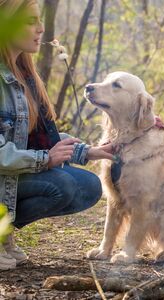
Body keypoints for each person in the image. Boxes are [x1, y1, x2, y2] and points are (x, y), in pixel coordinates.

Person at [0, 0, 113, 270]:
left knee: (87, 186)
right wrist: (43, 160)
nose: (41, 29)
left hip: (9, 175)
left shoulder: (24, 75)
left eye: (40, 20)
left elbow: (28, 137)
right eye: (30, 22)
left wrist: (88, 151)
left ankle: (4, 233)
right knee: (61, 184)